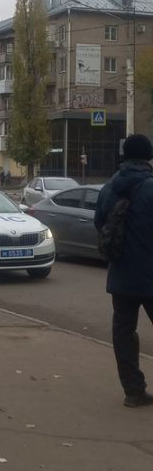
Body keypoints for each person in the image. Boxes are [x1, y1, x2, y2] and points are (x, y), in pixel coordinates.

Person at [94, 134, 153, 408]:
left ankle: (133, 391)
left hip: (121, 275)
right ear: (148, 156)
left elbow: (100, 225)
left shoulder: (109, 189)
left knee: (123, 332)